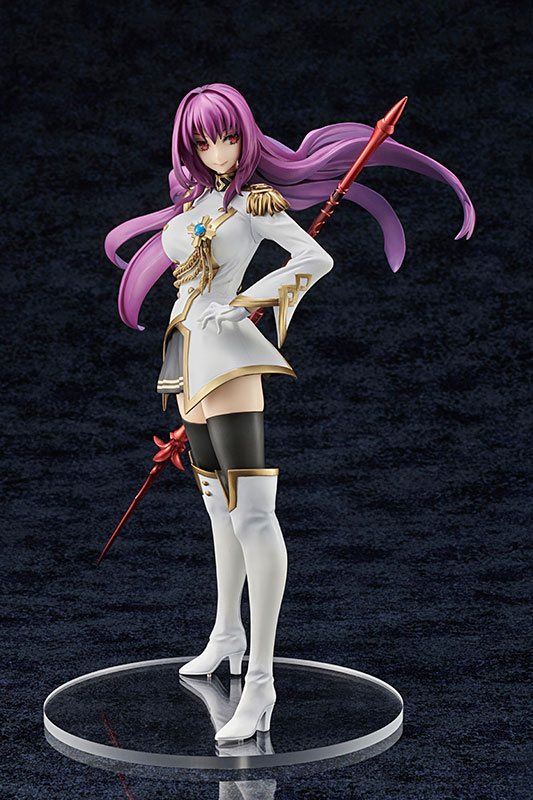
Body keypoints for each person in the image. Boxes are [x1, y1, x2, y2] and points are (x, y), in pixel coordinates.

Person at [105, 83, 475, 741]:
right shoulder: (194, 202)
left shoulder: (256, 201)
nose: (218, 151)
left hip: (230, 366)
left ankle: (261, 684)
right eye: (203, 141)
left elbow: (314, 256)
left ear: (244, 136)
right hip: (185, 364)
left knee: (252, 515)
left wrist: (249, 300)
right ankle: (227, 633)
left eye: (227, 137)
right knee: (217, 510)